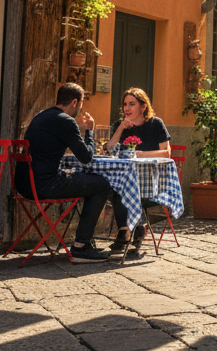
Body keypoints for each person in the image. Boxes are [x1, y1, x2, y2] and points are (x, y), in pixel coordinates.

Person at [16, 83, 111, 260]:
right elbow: (86, 157)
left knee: (83, 179)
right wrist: (90, 131)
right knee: (101, 184)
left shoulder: (41, 116)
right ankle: (81, 246)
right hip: (44, 186)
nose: (80, 108)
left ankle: (82, 242)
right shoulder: (65, 120)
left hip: (23, 184)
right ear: (75, 102)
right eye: (81, 103)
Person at [103, 88, 172, 255]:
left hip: (152, 179)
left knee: (121, 189)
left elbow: (166, 152)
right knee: (107, 186)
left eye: (132, 104)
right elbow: (109, 150)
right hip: (126, 178)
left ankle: (125, 232)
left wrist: (139, 154)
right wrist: (120, 128)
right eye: (125, 104)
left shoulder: (155, 123)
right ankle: (135, 228)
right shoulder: (121, 125)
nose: (127, 108)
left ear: (143, 106)